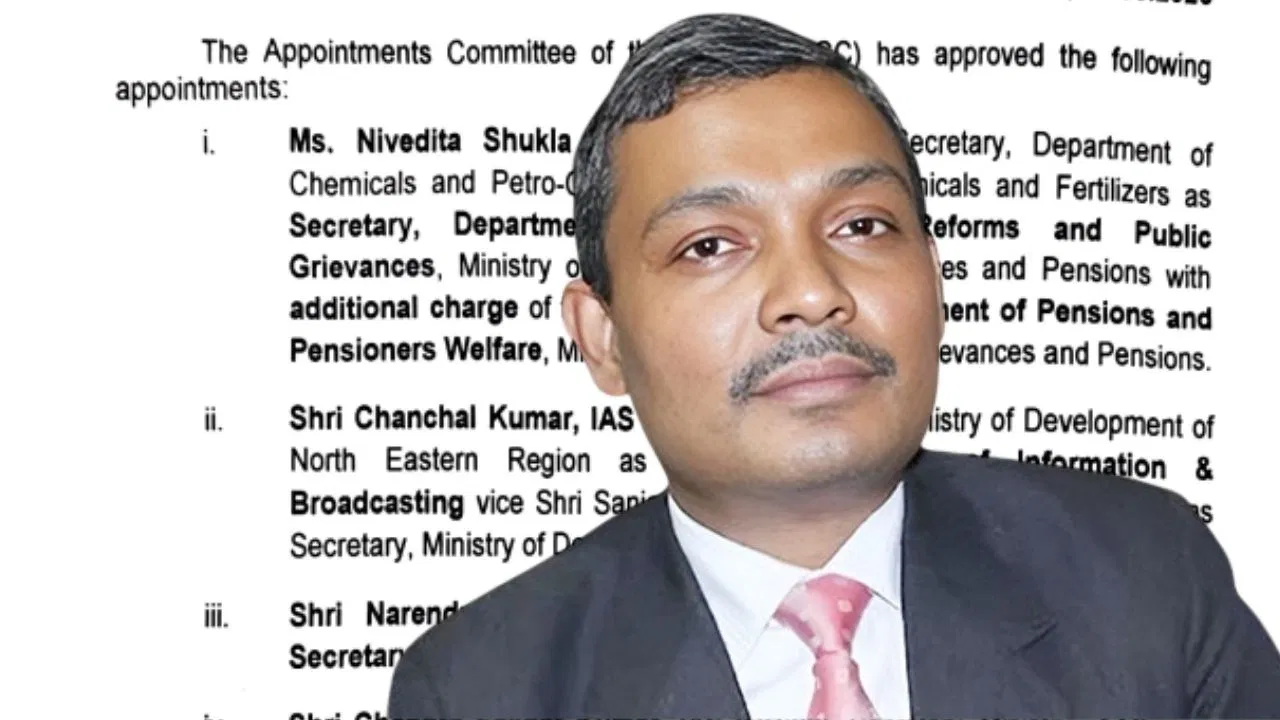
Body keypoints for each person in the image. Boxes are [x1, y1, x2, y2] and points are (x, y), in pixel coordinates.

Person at [389, 13, 1280, 719]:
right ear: (603, 337)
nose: (812, 293)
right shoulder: (482, 689)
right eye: (710, 245)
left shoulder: (1143, 579)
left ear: (935, 279)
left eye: (861, 225)